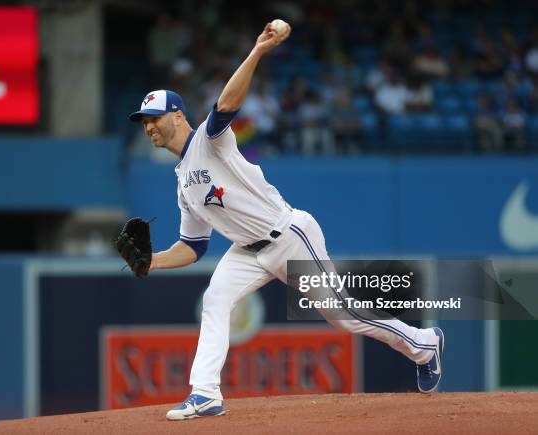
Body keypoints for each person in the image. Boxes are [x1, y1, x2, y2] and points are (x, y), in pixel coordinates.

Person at [128, 22, 444, 421]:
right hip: (247, 252)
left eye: (154, 117)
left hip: (289, 235)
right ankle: (205, 393)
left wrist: (258, 51)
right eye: (144, 122)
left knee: (342, 315)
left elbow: (226, 105)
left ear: (177, 114)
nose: (149, 126)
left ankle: (423, 343)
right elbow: (194, 247)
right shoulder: (182, 182)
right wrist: (150, 261)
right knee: (215, 299)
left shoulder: (208, 141)